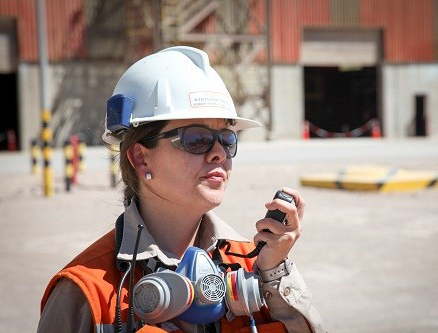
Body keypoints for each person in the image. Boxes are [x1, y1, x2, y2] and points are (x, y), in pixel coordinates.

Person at [38, 46, 327, 333]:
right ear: (141, 157)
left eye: (226, 139)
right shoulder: (86, 291)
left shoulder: (255, 265)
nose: (218, 153)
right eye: (197, 138)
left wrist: (275, 276)